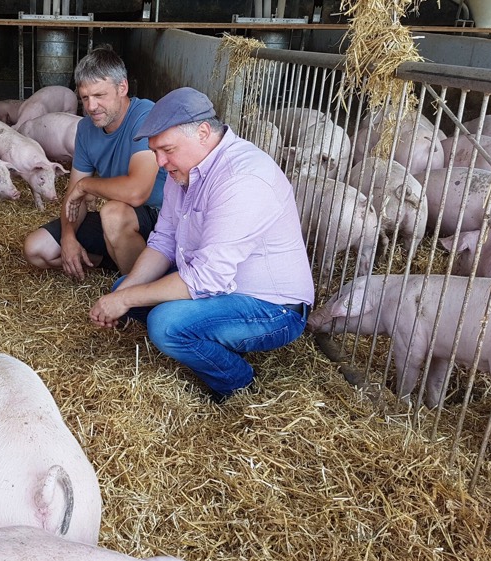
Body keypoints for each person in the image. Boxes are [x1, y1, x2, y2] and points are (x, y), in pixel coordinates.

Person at [89, 87, 315, 402]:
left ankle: (238, 384)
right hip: (223, 287)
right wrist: (122, 296)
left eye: (167, 149)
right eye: (155, 151)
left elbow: (207, 278)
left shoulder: (241, 179)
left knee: (166, 324)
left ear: (203, 133)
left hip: (272, 309)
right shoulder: (183, 171)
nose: (160, 161)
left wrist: (126, 300)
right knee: (124, 287)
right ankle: (210, 335)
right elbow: (164, 240)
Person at [23, 45, 167, 279]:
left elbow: (136, 192)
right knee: (37, 249)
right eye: (85, 97)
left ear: (122, 87)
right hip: (123, 218)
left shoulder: (145, 115)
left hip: (162, 219)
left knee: (112, 214)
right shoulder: (86, 129)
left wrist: (86, 186)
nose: (91, 107)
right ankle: (114, 259)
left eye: (100, 96)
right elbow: (74, 196)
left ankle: (142, 289)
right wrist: (68, 237)